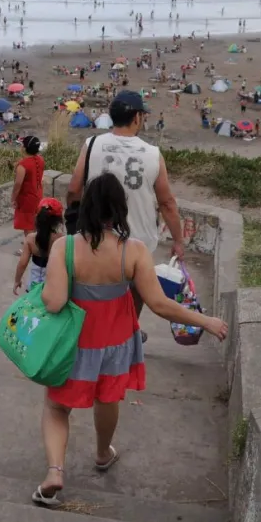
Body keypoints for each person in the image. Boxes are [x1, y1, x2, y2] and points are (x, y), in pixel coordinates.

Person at [33, 174, 227, 507]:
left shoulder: (64, 247)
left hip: (74, 347)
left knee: (56, 406)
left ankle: (54, 471)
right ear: (121, 209)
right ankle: (102, 453)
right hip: (115, 345)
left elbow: (53, 302)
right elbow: (159, 304)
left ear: (87, 207)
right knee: (107, 400)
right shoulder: (133, 251)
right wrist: (204, 321)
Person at [66, 90, 185, 342]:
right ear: (137, 118)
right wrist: (178, 240)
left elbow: (74, 189)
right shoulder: (153, 154)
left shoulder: (92, 145)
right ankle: (127, 331)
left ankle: (91, 334)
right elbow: (167, 203)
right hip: (137, 239)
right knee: (134, 292)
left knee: (93, 289)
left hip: (95, 235)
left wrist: (77, 216)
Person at [13, 198, 64, 294]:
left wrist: (17, 280)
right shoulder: (61, 240)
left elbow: (22, 264)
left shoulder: (30, 239)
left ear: (37, 217)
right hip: (52, 287)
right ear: (58, 220)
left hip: (33, 287)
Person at [12, 136, 45, 234]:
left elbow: (18, 184)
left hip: (27, 198)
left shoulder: (22, 165)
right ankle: (34, 241)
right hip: (38, 194)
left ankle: (29, 246)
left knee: (27, 225)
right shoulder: (40, 160)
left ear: (25, 148)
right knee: (34, 221)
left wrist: (13, 198)